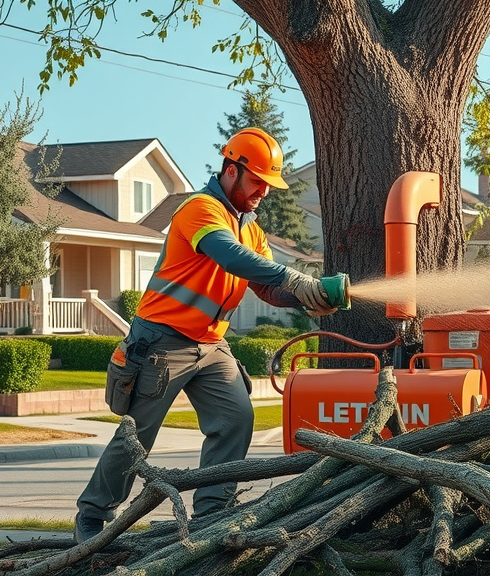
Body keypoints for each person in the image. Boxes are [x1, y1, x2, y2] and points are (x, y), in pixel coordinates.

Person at [74, 127, 350, 543]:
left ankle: (212, 513)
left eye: (268, 185)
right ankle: (93, 514)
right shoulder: (199, 209)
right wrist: (297, 278)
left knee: (236, 418)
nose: (263, 192)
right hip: (162, 342)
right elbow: (227, 254)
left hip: (211, 344)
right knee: (138, 436)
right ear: (231, 170)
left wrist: (306, 298)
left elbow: (267, 289)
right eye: (257, 181)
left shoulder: (253, 231)